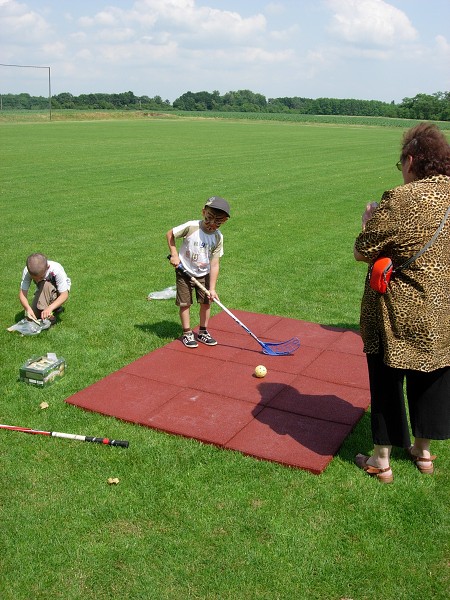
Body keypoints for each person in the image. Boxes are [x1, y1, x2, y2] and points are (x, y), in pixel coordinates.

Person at [353, 123, 450, 483]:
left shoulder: (401, 197)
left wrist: (367, 221)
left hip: (396, 312)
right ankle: (423, 453)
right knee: (434, 375)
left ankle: (382, 461)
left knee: (386, 380)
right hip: (443, 311)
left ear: (411, 160)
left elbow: (363, 250)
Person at [166, 196, 230, 348]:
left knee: (206, 302)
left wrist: (212, 289)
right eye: (209, 219)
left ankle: (203, 332)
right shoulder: (191, 227)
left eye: (218, 222)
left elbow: (215, 264)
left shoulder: (217, 237)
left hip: (204, 274)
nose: (212, 224)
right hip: (185, 271)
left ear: (224, 221)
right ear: (203, 212)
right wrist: (174, 255)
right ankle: (187, 333)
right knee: (185, 304)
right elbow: (170, 234)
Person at [19, 253, 71, 324]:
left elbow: (64, 295)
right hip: (43, 289)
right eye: (35, 279)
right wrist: (27, 308)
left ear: (48, 267)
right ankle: (55, 307)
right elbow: (22, 293)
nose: (37, 281)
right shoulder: (28, 271)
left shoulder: (56, 270)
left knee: (45, 284)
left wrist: (49, 308)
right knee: (35, 314)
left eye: (41, 277)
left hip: (60, 290)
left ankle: (51, 315)